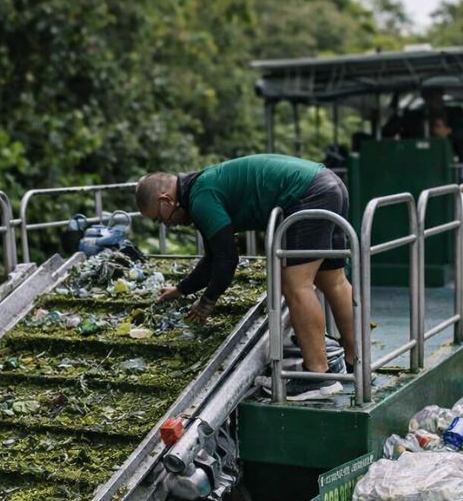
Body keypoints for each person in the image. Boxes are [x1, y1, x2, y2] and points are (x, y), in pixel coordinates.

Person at [136, 154, 355, 401]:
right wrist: (182, 289)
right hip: (328, 184)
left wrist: (208, 301)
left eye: (159, 218)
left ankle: (318, 376)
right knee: (333, 281)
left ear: (165, 200)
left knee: (295, 285)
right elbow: (212, 257)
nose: (167, 226)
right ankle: (355, 360)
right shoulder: (202, 187)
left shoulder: (201, 198)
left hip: (308, 195)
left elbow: (227, 258)